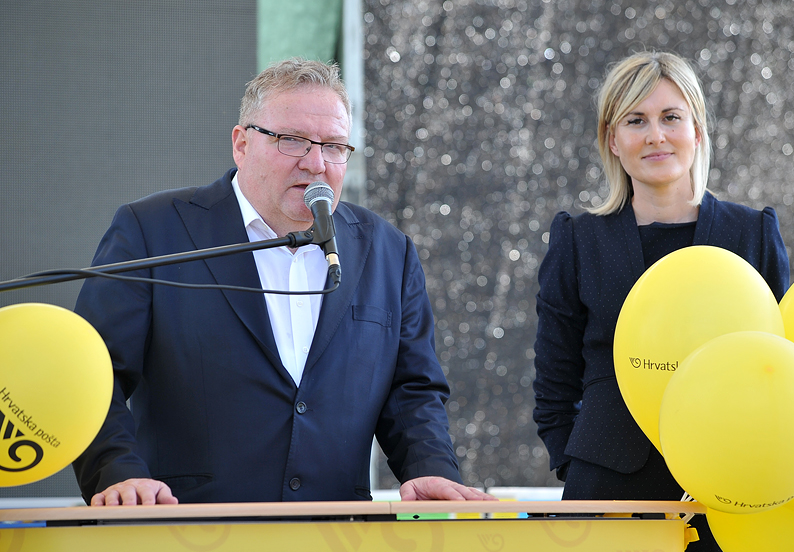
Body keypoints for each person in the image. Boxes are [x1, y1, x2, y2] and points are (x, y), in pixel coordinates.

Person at [73, 58, 493, 506]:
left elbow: (412, 391)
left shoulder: (388, 249)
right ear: (241, 144)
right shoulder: (154, 230)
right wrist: (117, 473)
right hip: (187, 529)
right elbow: (91, 374)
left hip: (339, 535)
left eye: (334, 146)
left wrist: (430, 469)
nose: (316, 164)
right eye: (292, 141)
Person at [532, 51, 794, 552]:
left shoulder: (752, 234)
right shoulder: (578, 240)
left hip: (734, 499)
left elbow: (786, 368)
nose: (656, 135)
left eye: (671, 117)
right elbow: (555, 383)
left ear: (697, 129)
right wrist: (577, 465)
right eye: (636, 120)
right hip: (610, 495)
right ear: (612, 140)